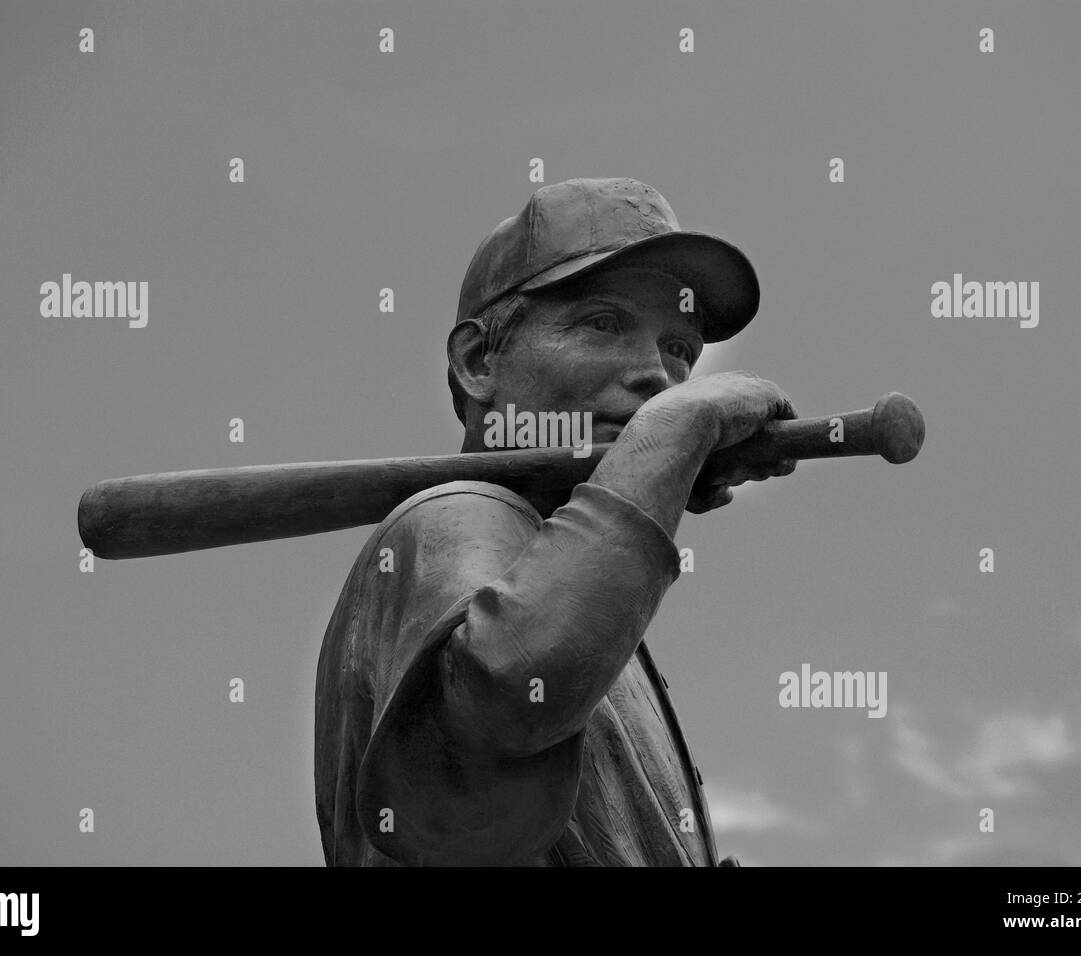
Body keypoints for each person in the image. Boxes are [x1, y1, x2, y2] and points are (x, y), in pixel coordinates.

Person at [314, 177, 797, 865]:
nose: (656, 377)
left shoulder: (574, 584)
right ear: (481, 361)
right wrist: (674, 433)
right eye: (603, 324)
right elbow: (504, 702)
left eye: (680, 351)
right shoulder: (455, 521)